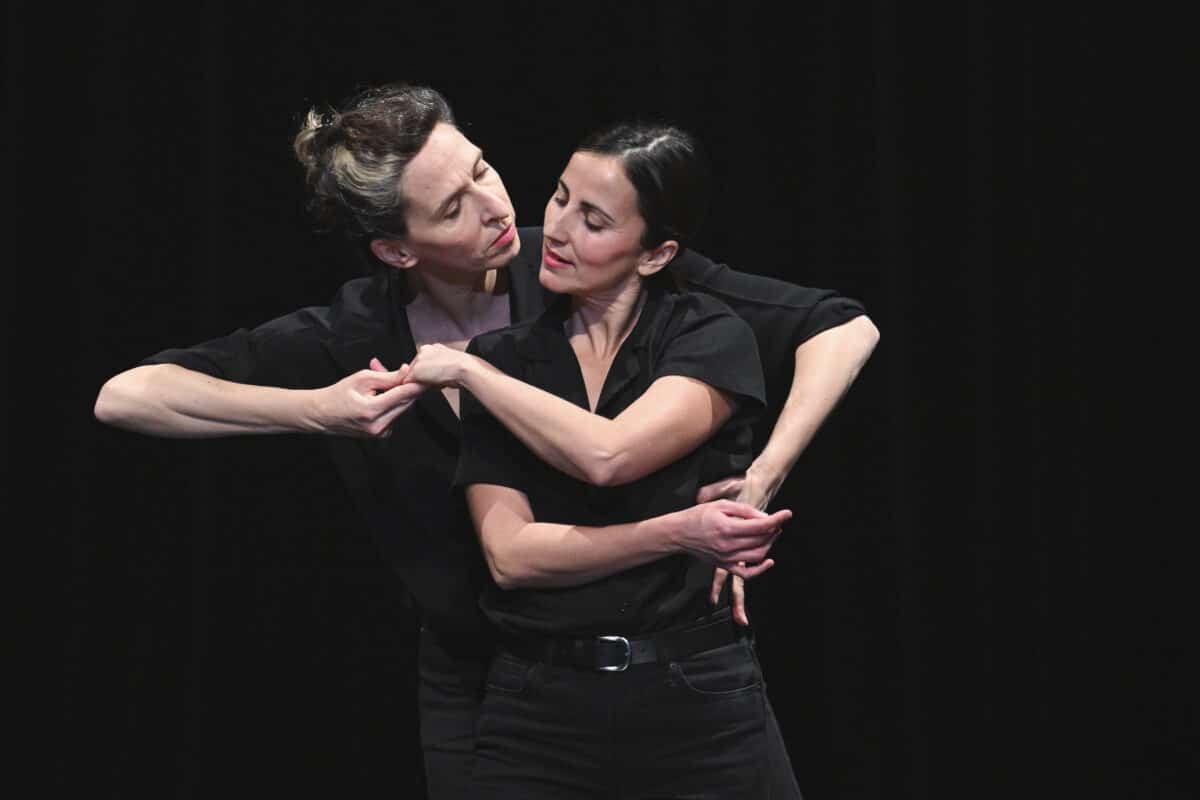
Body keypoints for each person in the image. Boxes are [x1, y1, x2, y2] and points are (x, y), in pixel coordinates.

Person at [93, 83, 879, 797]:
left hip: (655, 659)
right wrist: (316, 409)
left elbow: (842, 328)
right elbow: (126, 397)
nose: (496, 206)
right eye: (452, 209)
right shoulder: (357, 331)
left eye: (481, 169)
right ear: (398, 250)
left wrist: (762, 478)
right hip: (486, 680)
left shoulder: (578, 262)